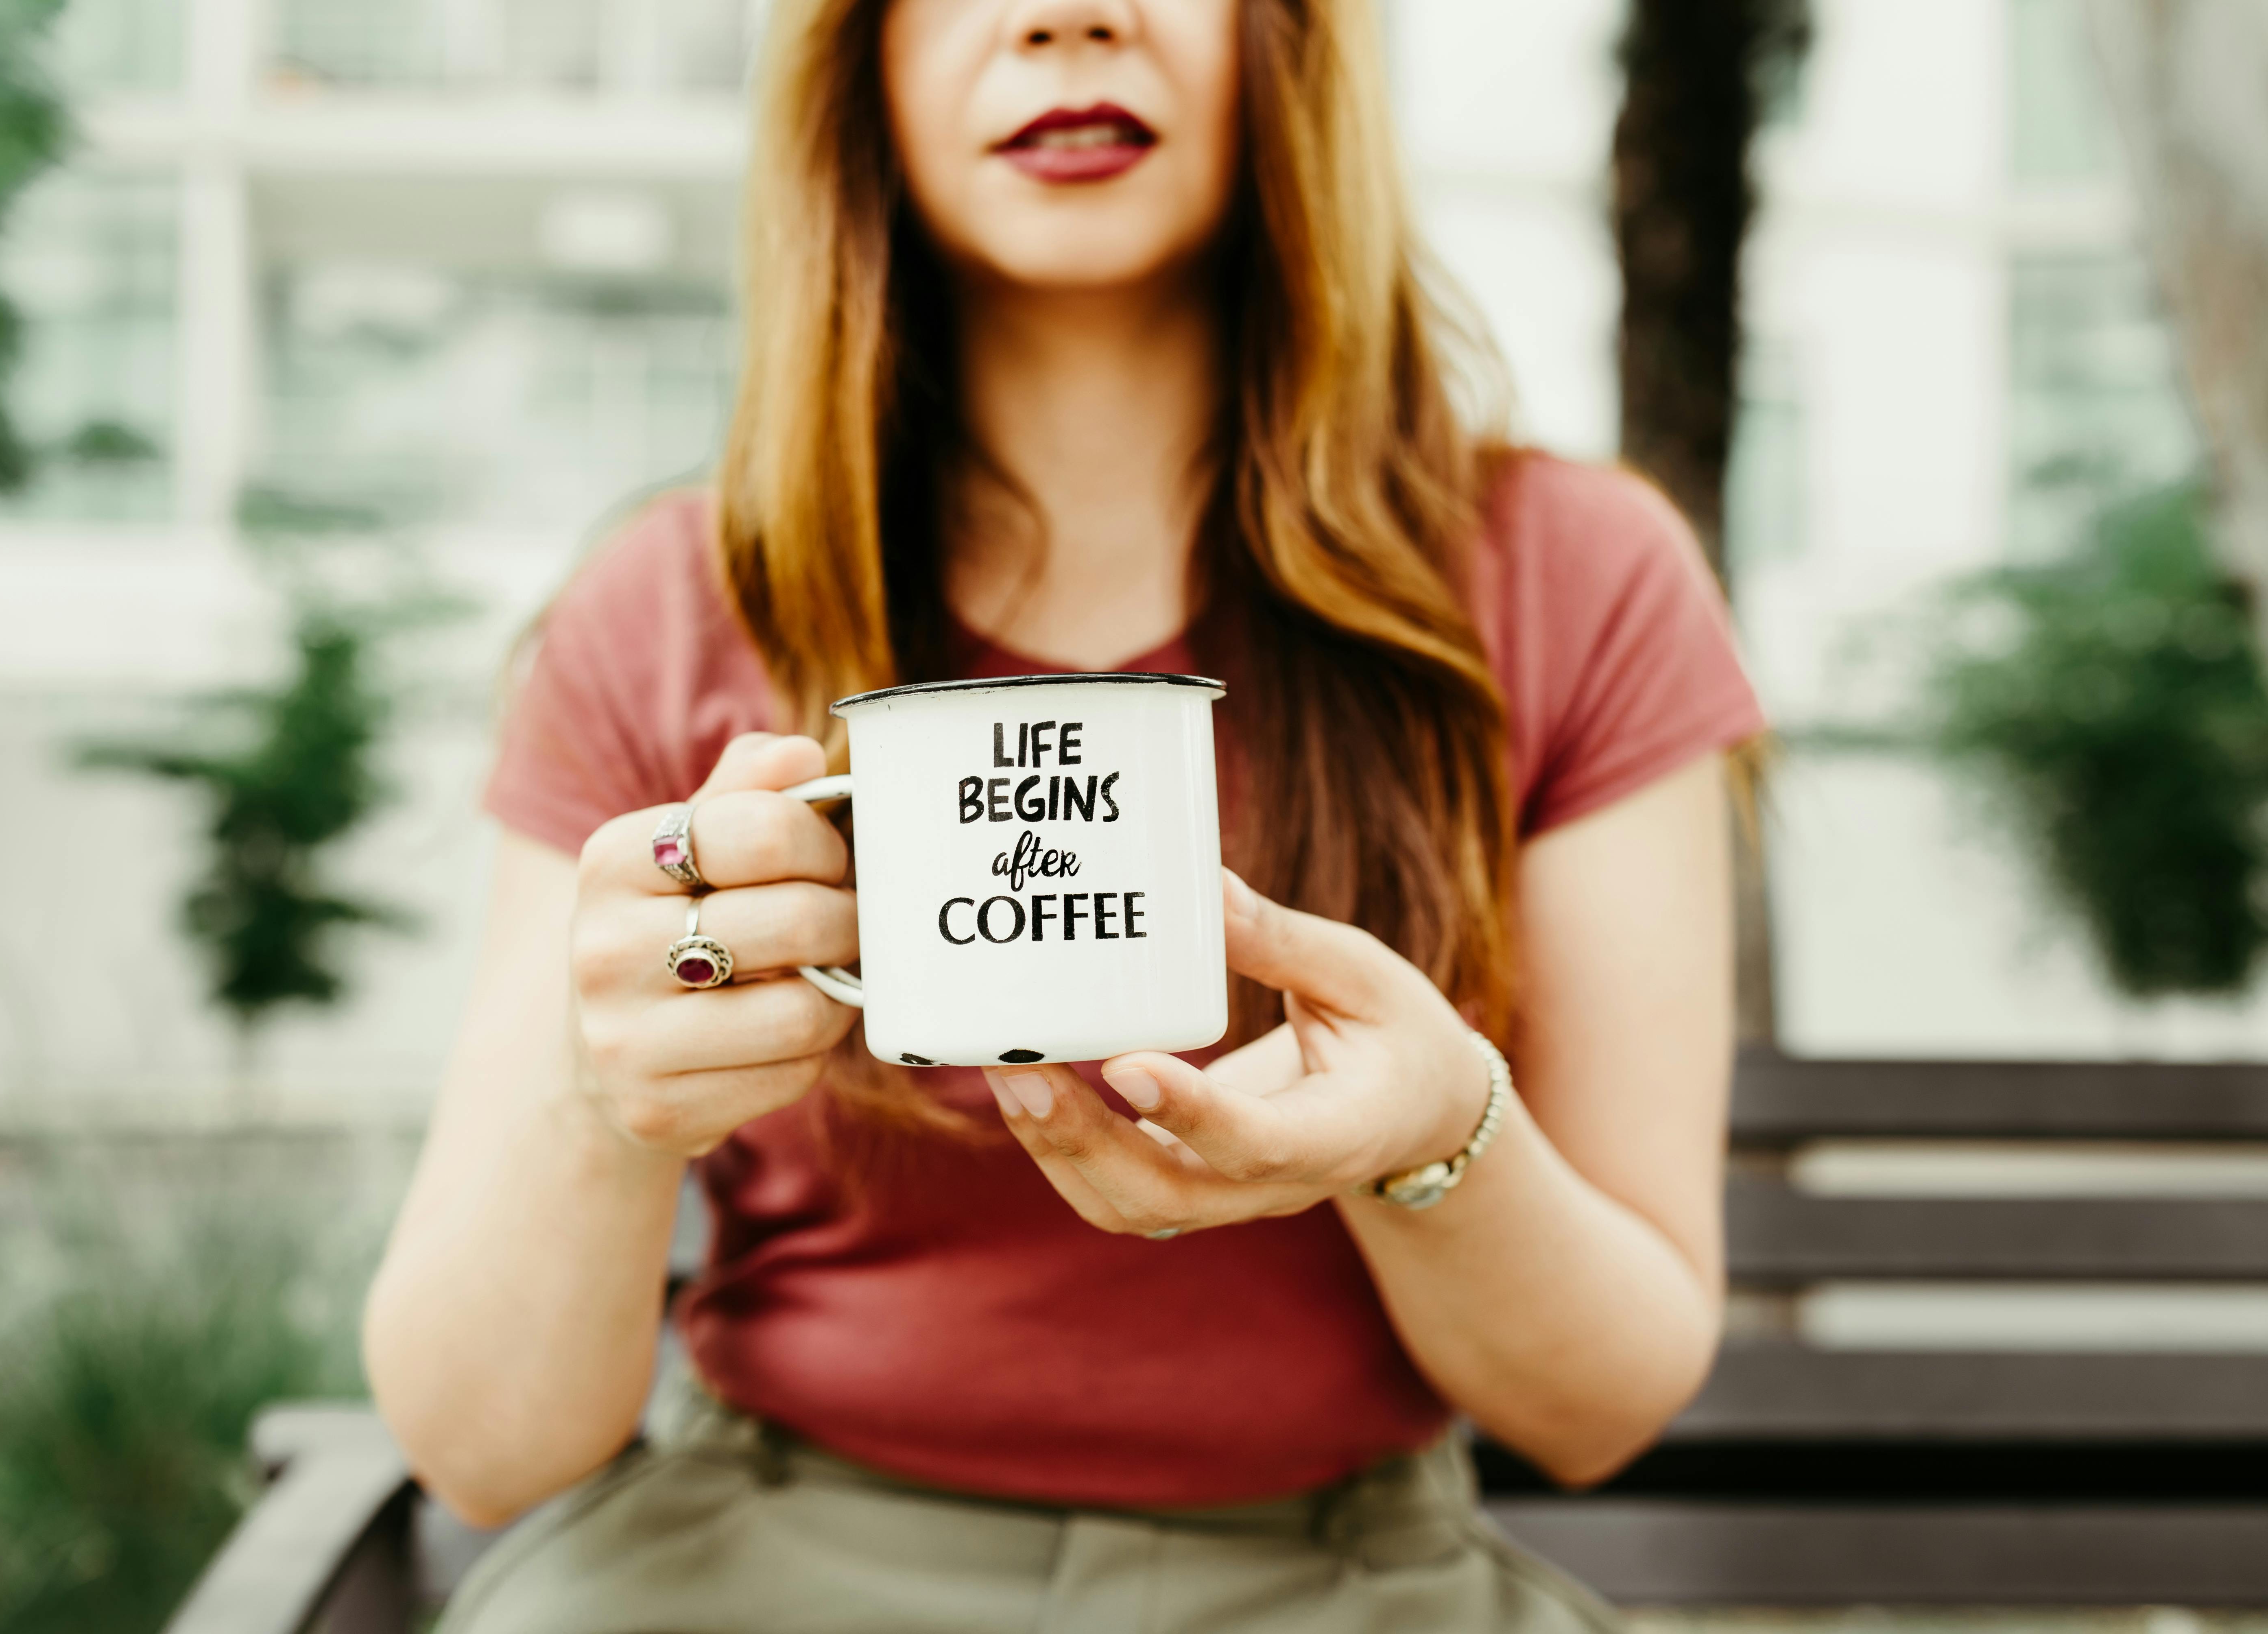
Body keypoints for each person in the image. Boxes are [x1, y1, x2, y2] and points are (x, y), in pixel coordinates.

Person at [364, 0, 1765, 1628]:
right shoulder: (667, 608)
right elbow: (482, 1449)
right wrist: (597, 1103)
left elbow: (1597, 1404)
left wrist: (1435, 1136)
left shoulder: (1572, 580)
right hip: (756, 1567)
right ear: (859, 59)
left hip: (1347, 1578)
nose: (1067, 19)